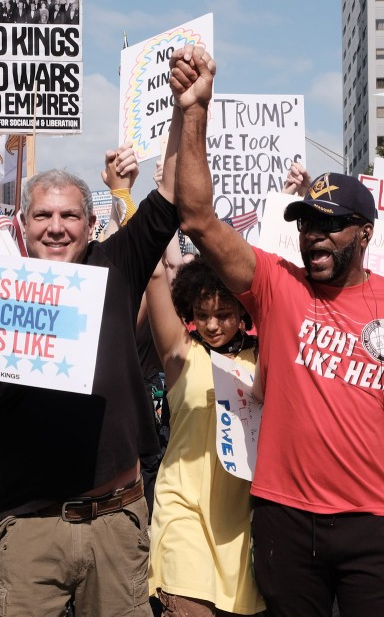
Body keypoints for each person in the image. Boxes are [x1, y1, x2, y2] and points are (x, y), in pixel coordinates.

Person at [168, 43, 384, 616]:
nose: (314, 236)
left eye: (331, 226)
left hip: (376, 524)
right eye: (307, 224)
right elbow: (197, 217)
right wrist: (195, 110)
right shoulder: (275, 285)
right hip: (284, 521)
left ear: (364, 234)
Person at [0, 128, 180, 615]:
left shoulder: (118, 267)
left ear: (91, 224)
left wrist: (188, 106)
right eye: (43, 215)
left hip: (116, 519)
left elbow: (175, 194)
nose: (56, 226)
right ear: (21, 225)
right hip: (29, 529)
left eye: (69, 215)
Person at [145, 256, 266, 616]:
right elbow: (152, 276)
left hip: (241, 526)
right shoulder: (181, 352)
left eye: (224, 313)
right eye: (202, 313)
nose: (212, 325)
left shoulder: (265, 358)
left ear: (243, 310)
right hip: (182, 513)